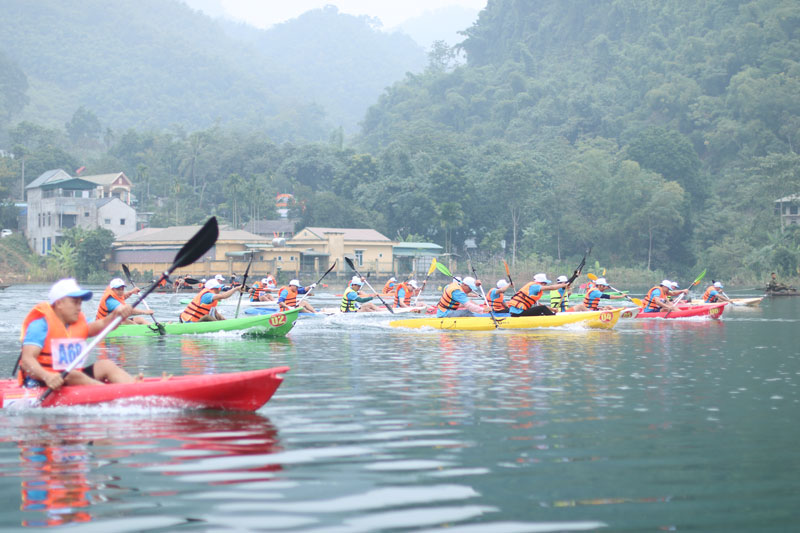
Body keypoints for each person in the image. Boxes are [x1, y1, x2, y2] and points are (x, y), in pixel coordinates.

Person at [18, 278, 137, 390]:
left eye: (80, 303)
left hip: (70, 377)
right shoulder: (40, 326)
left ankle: (132, 386)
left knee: (106, 365)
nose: (79, 308)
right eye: (75, 303)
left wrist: (117, 314)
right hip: (41, 382)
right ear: (59, 303)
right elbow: (27, 361)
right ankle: (113, 393)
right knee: (72, 375)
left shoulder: (79, 322)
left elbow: (103, 324)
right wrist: (47, 376)